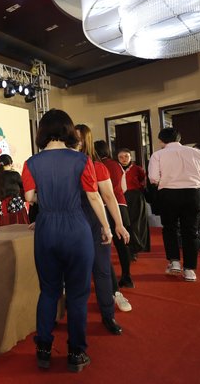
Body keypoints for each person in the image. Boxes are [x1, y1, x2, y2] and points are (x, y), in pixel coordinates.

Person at [21, 109, 112, 372]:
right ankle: (76, 353)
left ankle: (43, 350)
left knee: (49, 290)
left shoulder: (31, 162)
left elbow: (29, 197)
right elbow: (93, 196)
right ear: (68, 130)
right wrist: (106, 226)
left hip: (46, 228)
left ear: (42, 131)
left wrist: (49, 198)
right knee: (78, 294)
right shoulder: (81, 160)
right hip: (76, 228)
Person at [75, 125, 131, 333]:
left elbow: (109, 196)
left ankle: (108, 315)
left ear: (87, 141)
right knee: (74, 272)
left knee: (102, 269)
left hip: (95, 221)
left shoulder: (97, 166)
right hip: (70, 223)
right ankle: (75, 317)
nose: (75, 141)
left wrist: (118, 224)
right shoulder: (65, 165)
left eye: (79, 138)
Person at [148, 127, 200, 282]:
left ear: (161, 140)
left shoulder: (158, 155)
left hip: (168, 194)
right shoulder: (196, 152)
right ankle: (190, 270)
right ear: (179, 139)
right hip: (193, 193)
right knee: (191, 231)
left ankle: (175, 262)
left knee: (170, 229)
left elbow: (153, 178)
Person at [94, 140, 135, 288]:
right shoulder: (116, 164)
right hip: (121, 204)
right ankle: (127, 276)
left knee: (103, 242)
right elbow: (123, 187)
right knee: (122, 243)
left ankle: (106, 279)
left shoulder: (97, 165)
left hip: (104, 205)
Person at [117, 148, 151, 259]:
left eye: (126, 156)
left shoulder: (137, 169)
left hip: (135, 197)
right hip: (121, 197)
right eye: (121, 157)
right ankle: (126, 248)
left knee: (136, 223)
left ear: (131, 157)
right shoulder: (116, 169)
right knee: (125, 223)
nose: (124, 159)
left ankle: (134, 249)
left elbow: (143, 181)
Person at [0, 154, 29, 226]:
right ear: (10, 164)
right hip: (16, 205)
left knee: (4, 228)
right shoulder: (15, 174)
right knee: (20, 228)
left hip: (1, 207)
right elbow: (23, 187)